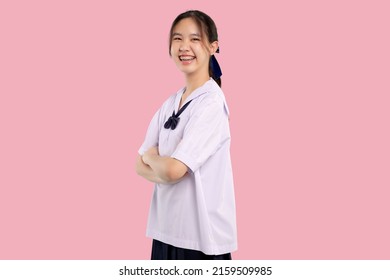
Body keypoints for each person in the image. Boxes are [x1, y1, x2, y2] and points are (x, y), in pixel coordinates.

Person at [136, 10, 237, 260]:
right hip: (165, 232)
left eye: (195, 39)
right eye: (178, 38)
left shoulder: (211, 103)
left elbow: (172, 171)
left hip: (200, 240)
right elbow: (138, 165)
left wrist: (154, 160)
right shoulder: (170, 103)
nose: (184, 46)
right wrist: (161, 166)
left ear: (213, 47)